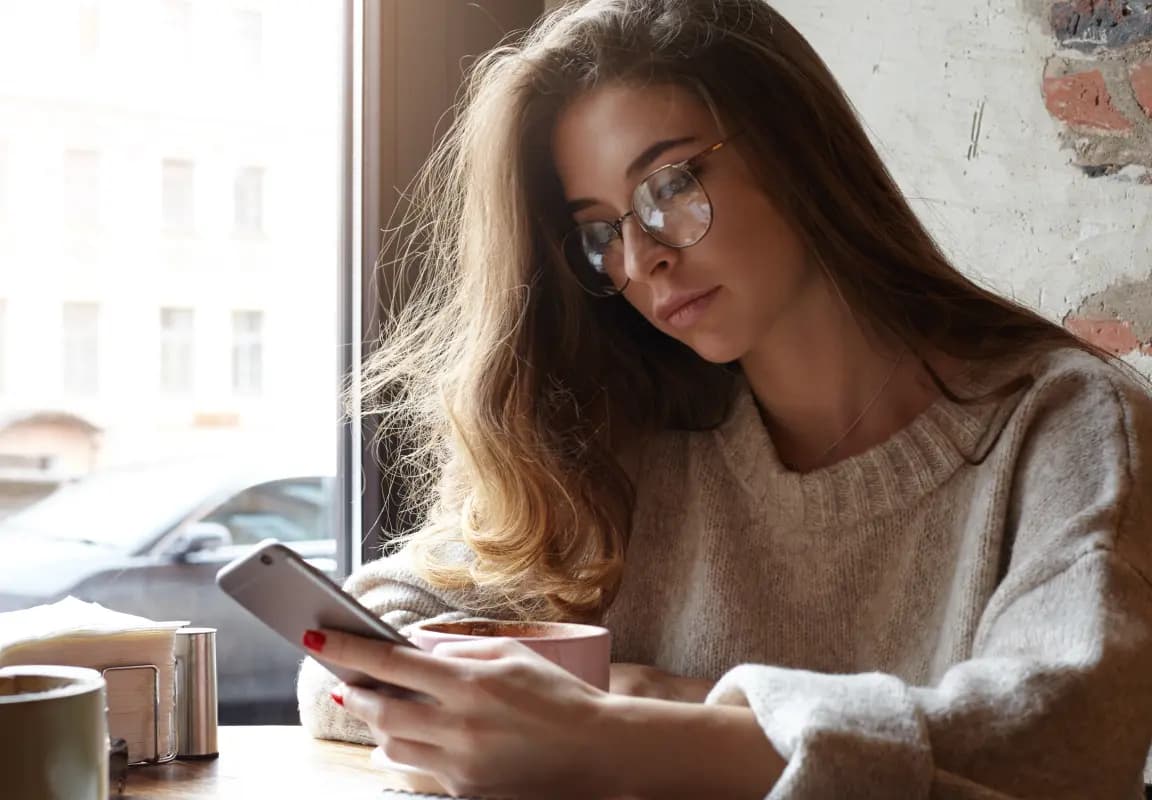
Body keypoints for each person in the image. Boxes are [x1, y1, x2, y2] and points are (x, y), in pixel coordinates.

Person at [297, 0, 1152, 797]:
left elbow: (1065, 742)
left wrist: (625, 730)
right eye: (600, 230)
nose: (641, 259)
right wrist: (589, 705)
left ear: (795, 148)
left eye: (668, 187)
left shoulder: (1062, 424)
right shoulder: (627, 441)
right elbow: (354, 648)